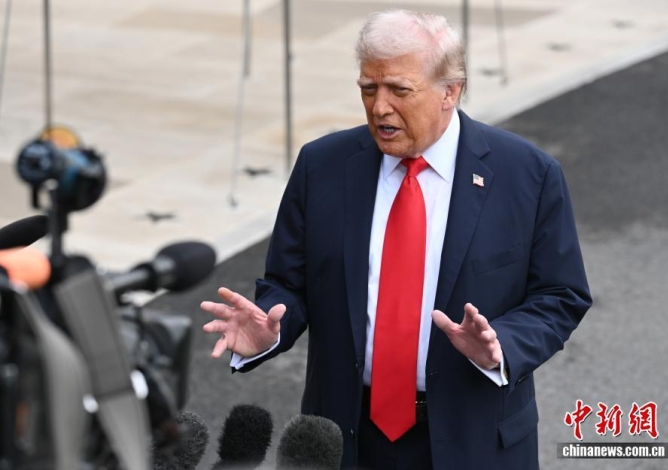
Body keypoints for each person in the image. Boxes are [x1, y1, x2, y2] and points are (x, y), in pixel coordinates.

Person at [201, 9, 591, 470]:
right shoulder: (321, 166)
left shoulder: (527, 175)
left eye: (399, 90)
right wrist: (272, 328)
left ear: (450, 91)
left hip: (475, 439)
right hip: (345, 438)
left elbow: (560, 294)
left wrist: (501, 344)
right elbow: (290, 283)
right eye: (369, 88)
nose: (379, 107)